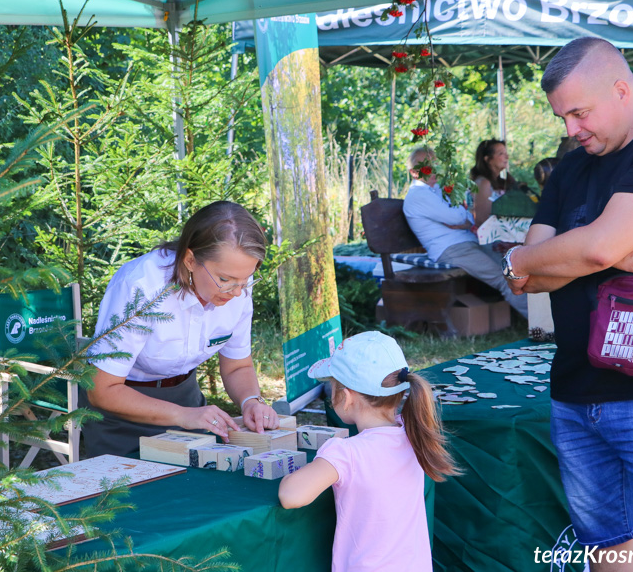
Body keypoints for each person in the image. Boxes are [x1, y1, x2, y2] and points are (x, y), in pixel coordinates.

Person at [504, 37, 633, 572]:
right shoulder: (571, 167)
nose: (570, 130)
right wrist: (604, 250)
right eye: (562, 117)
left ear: (621, 89)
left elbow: (563, 253)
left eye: (580, 113)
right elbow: (528, 279)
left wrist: (590, 249)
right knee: (605, 552)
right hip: (574, 392)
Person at [83, 201, 279, 457]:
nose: (237, 292)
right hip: (121, 411)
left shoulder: (237, 283)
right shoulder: (140, 285)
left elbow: (237, 366)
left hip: (187, 401)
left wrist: (251, 401)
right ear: (189, 259)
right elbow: (102, 390)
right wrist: (183, 415)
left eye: (246, 280)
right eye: (225, 280)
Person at [278, 331, 459, 572]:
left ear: (346, 396)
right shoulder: (413, 433)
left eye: (332, 384)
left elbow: (291, 496)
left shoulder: (346, 452)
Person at [402, 147, 528, 318]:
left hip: (466, 243)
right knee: (505, 277)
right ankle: (541, 324)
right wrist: (463, 218)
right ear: (414, 172)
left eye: (435, 165)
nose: (433, 171)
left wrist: (463, 218)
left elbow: (467, 217)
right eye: (427, 167)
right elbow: (457, 217)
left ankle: (543, 317)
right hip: (451, 250)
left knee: (515, 265)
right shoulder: (419, 195)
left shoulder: (436, 189)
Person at [469, 139, 518, 226]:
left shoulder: (500, 182)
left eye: (506, 153)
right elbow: (481, 220)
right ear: (487, 159)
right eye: (501, 153)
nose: (507, 157)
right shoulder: (483, 183)